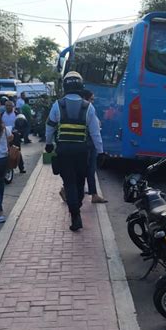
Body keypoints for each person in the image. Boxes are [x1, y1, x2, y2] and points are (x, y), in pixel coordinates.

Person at [45, 71, 103, 231]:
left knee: (69, 182)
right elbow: (95, 132)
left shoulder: (58, 105)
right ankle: (76, 205)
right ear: (80, 85)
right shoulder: (88, 107)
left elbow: (49, 126)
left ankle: (75, 214)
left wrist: (48, 144)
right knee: (79, 183)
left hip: (64, 151)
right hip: (82, 152)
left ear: (65, 86)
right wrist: (101, 150)